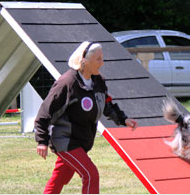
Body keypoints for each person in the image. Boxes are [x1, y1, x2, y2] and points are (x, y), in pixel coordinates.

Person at [34, 41, 138, 194]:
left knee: (59, 179)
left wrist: (123, 119)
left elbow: (106, 103)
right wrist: (42, 141)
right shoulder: (67, 83)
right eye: (98, 59)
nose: (102, 63)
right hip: (64, 139)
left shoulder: (98, 81)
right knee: (90, 174)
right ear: (84, 61)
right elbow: (45, 111)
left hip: (81, 140)